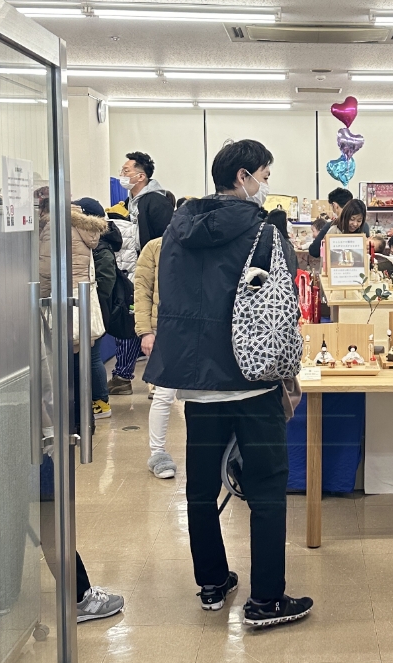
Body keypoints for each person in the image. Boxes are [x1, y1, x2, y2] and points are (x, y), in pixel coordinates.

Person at [143, 138, 313, 627]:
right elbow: (283, 294)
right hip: (252, 376)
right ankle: (266, 601)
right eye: (263, 172)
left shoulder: (177, 230)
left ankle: (212, 584)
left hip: (197, 381)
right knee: (266, 488)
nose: (265, 183)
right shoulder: (264, 231)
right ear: (244, 176)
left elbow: (172, 296)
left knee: (200, 487)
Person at [36, 197, 124, 623]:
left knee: (5, 507)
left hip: (2, 386)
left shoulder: (31, 240)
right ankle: (79, 596)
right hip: (39, 380)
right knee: (49, 501)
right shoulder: (75, 232)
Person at [108, 152, 175, 396]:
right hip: (133, 271)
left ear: (141, 176)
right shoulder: (130, 203)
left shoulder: (155, 202)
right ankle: (124, 375)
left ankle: (157, 379)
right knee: (132, 322)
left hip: (153, 274)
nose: (122, 175)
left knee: (152, 324)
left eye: (126, 171)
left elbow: (166, 242)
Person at [132, 235, 179, 479]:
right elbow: (142, 291)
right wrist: (145, 331)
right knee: (164, 393)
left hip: (199, 330)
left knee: (203, 397)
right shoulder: (154, 247)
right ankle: (157, 452)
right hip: (164, 328)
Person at [74, 197, 120, 421]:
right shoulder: (94, 242)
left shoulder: (100, 246)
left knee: (92, 357)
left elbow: (106, 280)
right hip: (91, 306)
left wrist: (94, 302)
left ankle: (101, 402)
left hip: (95, 308)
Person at [308, 187, 368, 259]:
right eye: (352, 219)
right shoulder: (333, 228)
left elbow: (314, 251)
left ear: (334, 205)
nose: (355, 224)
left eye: (359, 220)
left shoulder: (330, 225)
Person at [265, 208, 298, 274]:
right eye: (286, 220)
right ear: (282, 223)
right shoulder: (285, 244)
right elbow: (292, 269)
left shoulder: (265, 241)